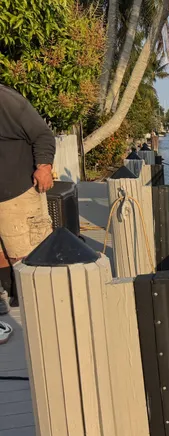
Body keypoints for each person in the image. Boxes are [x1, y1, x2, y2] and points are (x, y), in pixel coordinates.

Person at [0, 84, 55, 314]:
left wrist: (44, 166)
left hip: (18, 192)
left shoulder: (6, 100)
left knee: (25, 251)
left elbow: (42, 134)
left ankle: (37, 301)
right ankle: (9, 294)